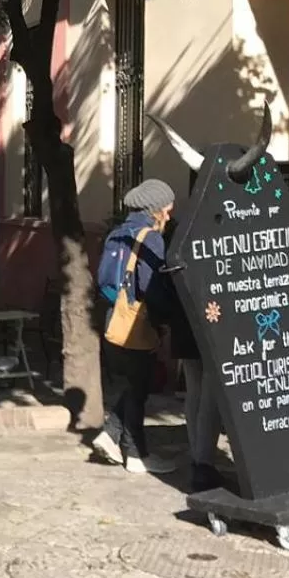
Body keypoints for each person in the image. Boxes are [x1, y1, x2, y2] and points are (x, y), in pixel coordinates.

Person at [91, 179, 174, 473]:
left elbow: (103, 281)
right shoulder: (150, 237)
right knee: (139, 389)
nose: (169, 212)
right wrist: (165, 320)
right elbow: (149, 286)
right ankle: (137, 455)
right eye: (167, 207)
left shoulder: (117, 234)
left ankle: (110, 435)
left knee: (132, 385)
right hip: (137, 323)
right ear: (155, 210)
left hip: (114, 318)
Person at [158, 262, 223, 493]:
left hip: (183, 321)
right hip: (209, 319)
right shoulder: (206, 235)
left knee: (195, 390)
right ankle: (204, 463)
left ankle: (198, 457)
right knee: (210, 394)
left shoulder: (179, 239)